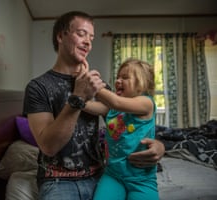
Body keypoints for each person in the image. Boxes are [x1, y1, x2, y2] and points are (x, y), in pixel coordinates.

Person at [23, 11, 164, 200]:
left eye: (91, 37)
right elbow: (49, 146)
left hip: (103, 175)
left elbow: (124, 120)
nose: (88, 42)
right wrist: (78, 97)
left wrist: (160, 146)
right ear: (60, 36)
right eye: (81, 34)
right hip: (58, 181)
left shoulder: (100, 86)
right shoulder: (38, 87)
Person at [84, 58, 159, 200]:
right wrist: (78, 101)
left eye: (125, 77)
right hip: (113, 175)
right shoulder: (113, 109)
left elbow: (116, 101)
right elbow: (92, 107)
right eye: (117, 77)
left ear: (141, 83)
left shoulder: (146, 102)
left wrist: (93, 84)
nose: (118, 81)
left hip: (141, 179)